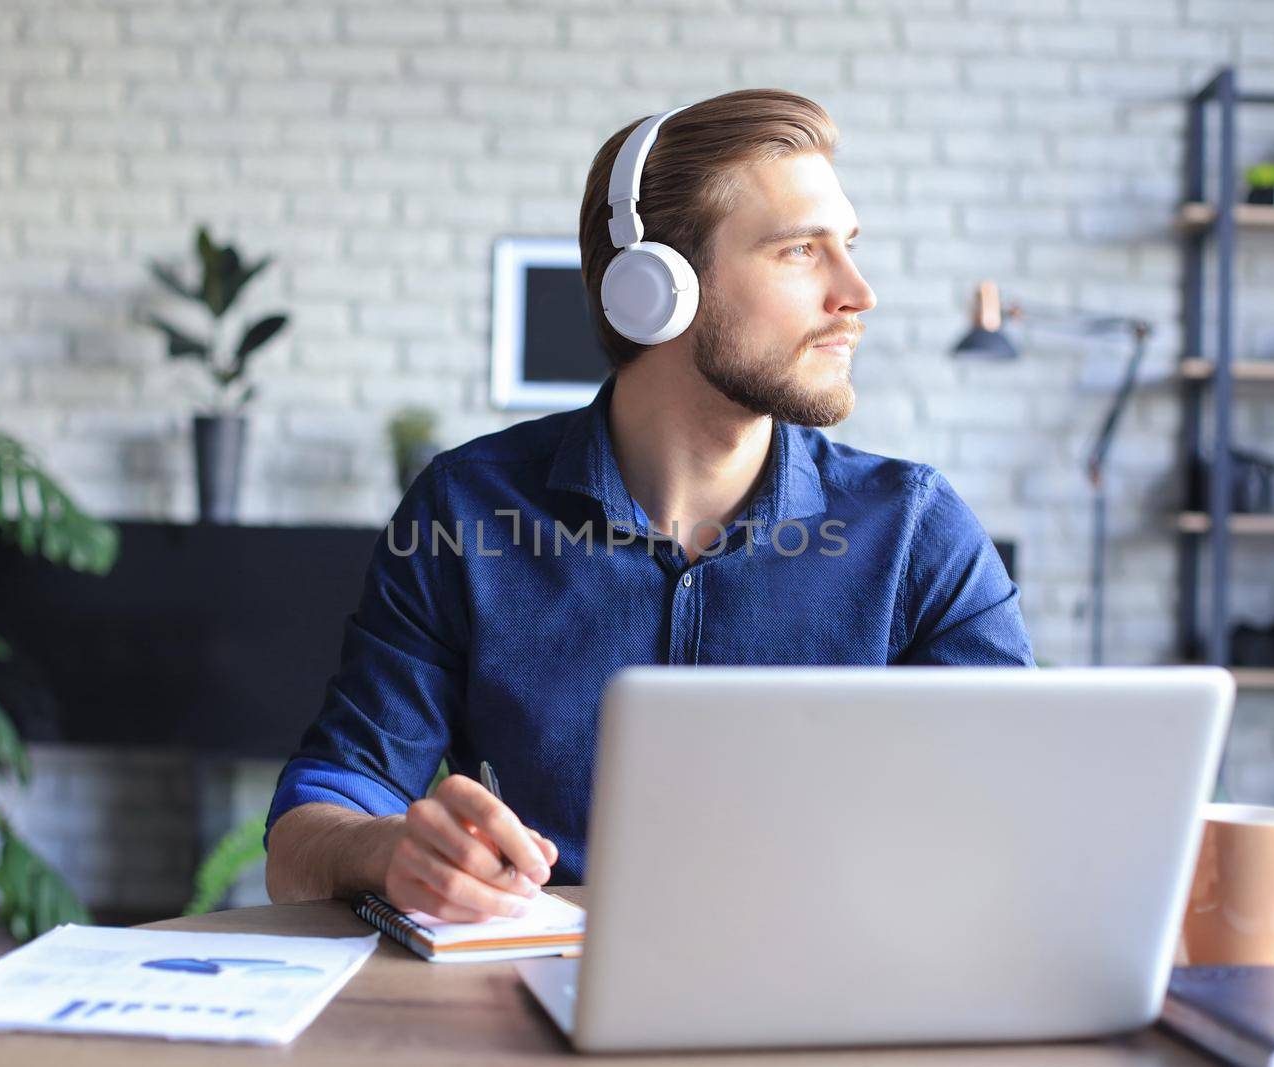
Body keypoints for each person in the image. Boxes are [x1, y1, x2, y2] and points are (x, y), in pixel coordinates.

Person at [265, 88, 1034, 922]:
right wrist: (385, 848)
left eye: (846, 246)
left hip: (831, 993)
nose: (858, 293)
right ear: (654, 286)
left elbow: (1026, 811)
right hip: (537, 1000)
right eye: (800, 253)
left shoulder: (916, 527)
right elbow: (314, 821)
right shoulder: (466, 510)